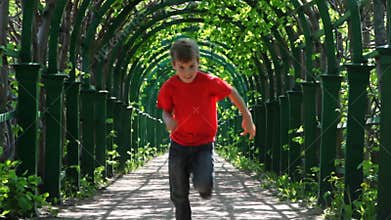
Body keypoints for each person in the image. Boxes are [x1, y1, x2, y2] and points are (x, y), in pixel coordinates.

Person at [156, 38, 256, 220]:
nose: (187, 72)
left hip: (203, 145)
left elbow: (231, 91)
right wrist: (168, 120)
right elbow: (165, 111)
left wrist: (246, 116)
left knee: (203, 186)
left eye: (192, 66)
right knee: (179, 195)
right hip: (179, 145)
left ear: (198, 62)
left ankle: (203, 185)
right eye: (182, 67)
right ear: (174, 65)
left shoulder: (208, 81)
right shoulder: (170, 87)